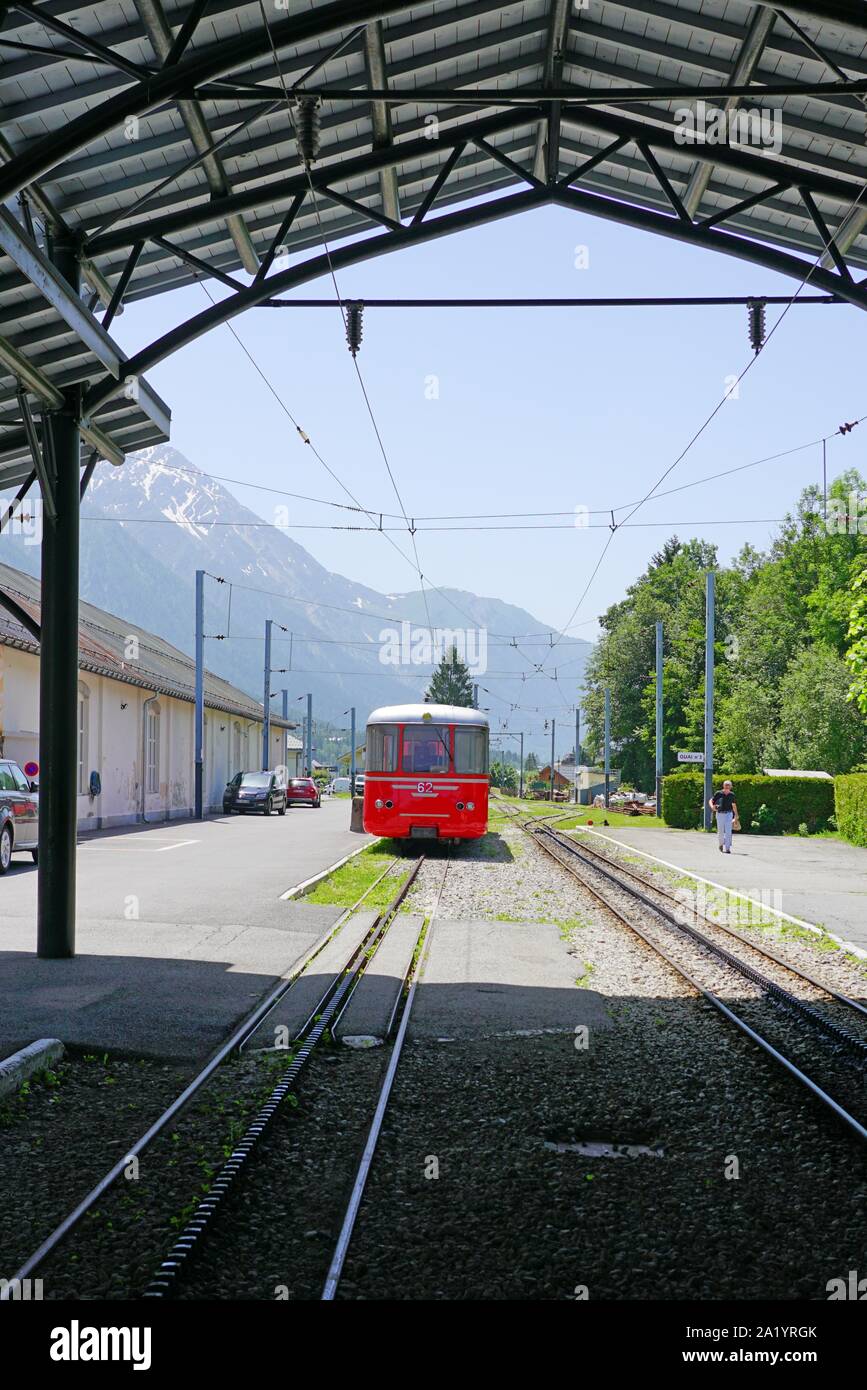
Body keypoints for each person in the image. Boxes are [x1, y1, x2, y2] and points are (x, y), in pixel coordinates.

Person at [708, 780, 738, 854]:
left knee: (728, 831)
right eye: (726, 785)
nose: (727, 786)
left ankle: (727, 848)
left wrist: (736, 815)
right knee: (721, 831)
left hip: (729, 814)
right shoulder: (719, 793)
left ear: (731, 787)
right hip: (720, 813)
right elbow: (711, 800)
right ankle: (721, 844)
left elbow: (734, 805)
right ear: (723, 786)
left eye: (728, 785)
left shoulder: (732, 795)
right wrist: (712, 807)